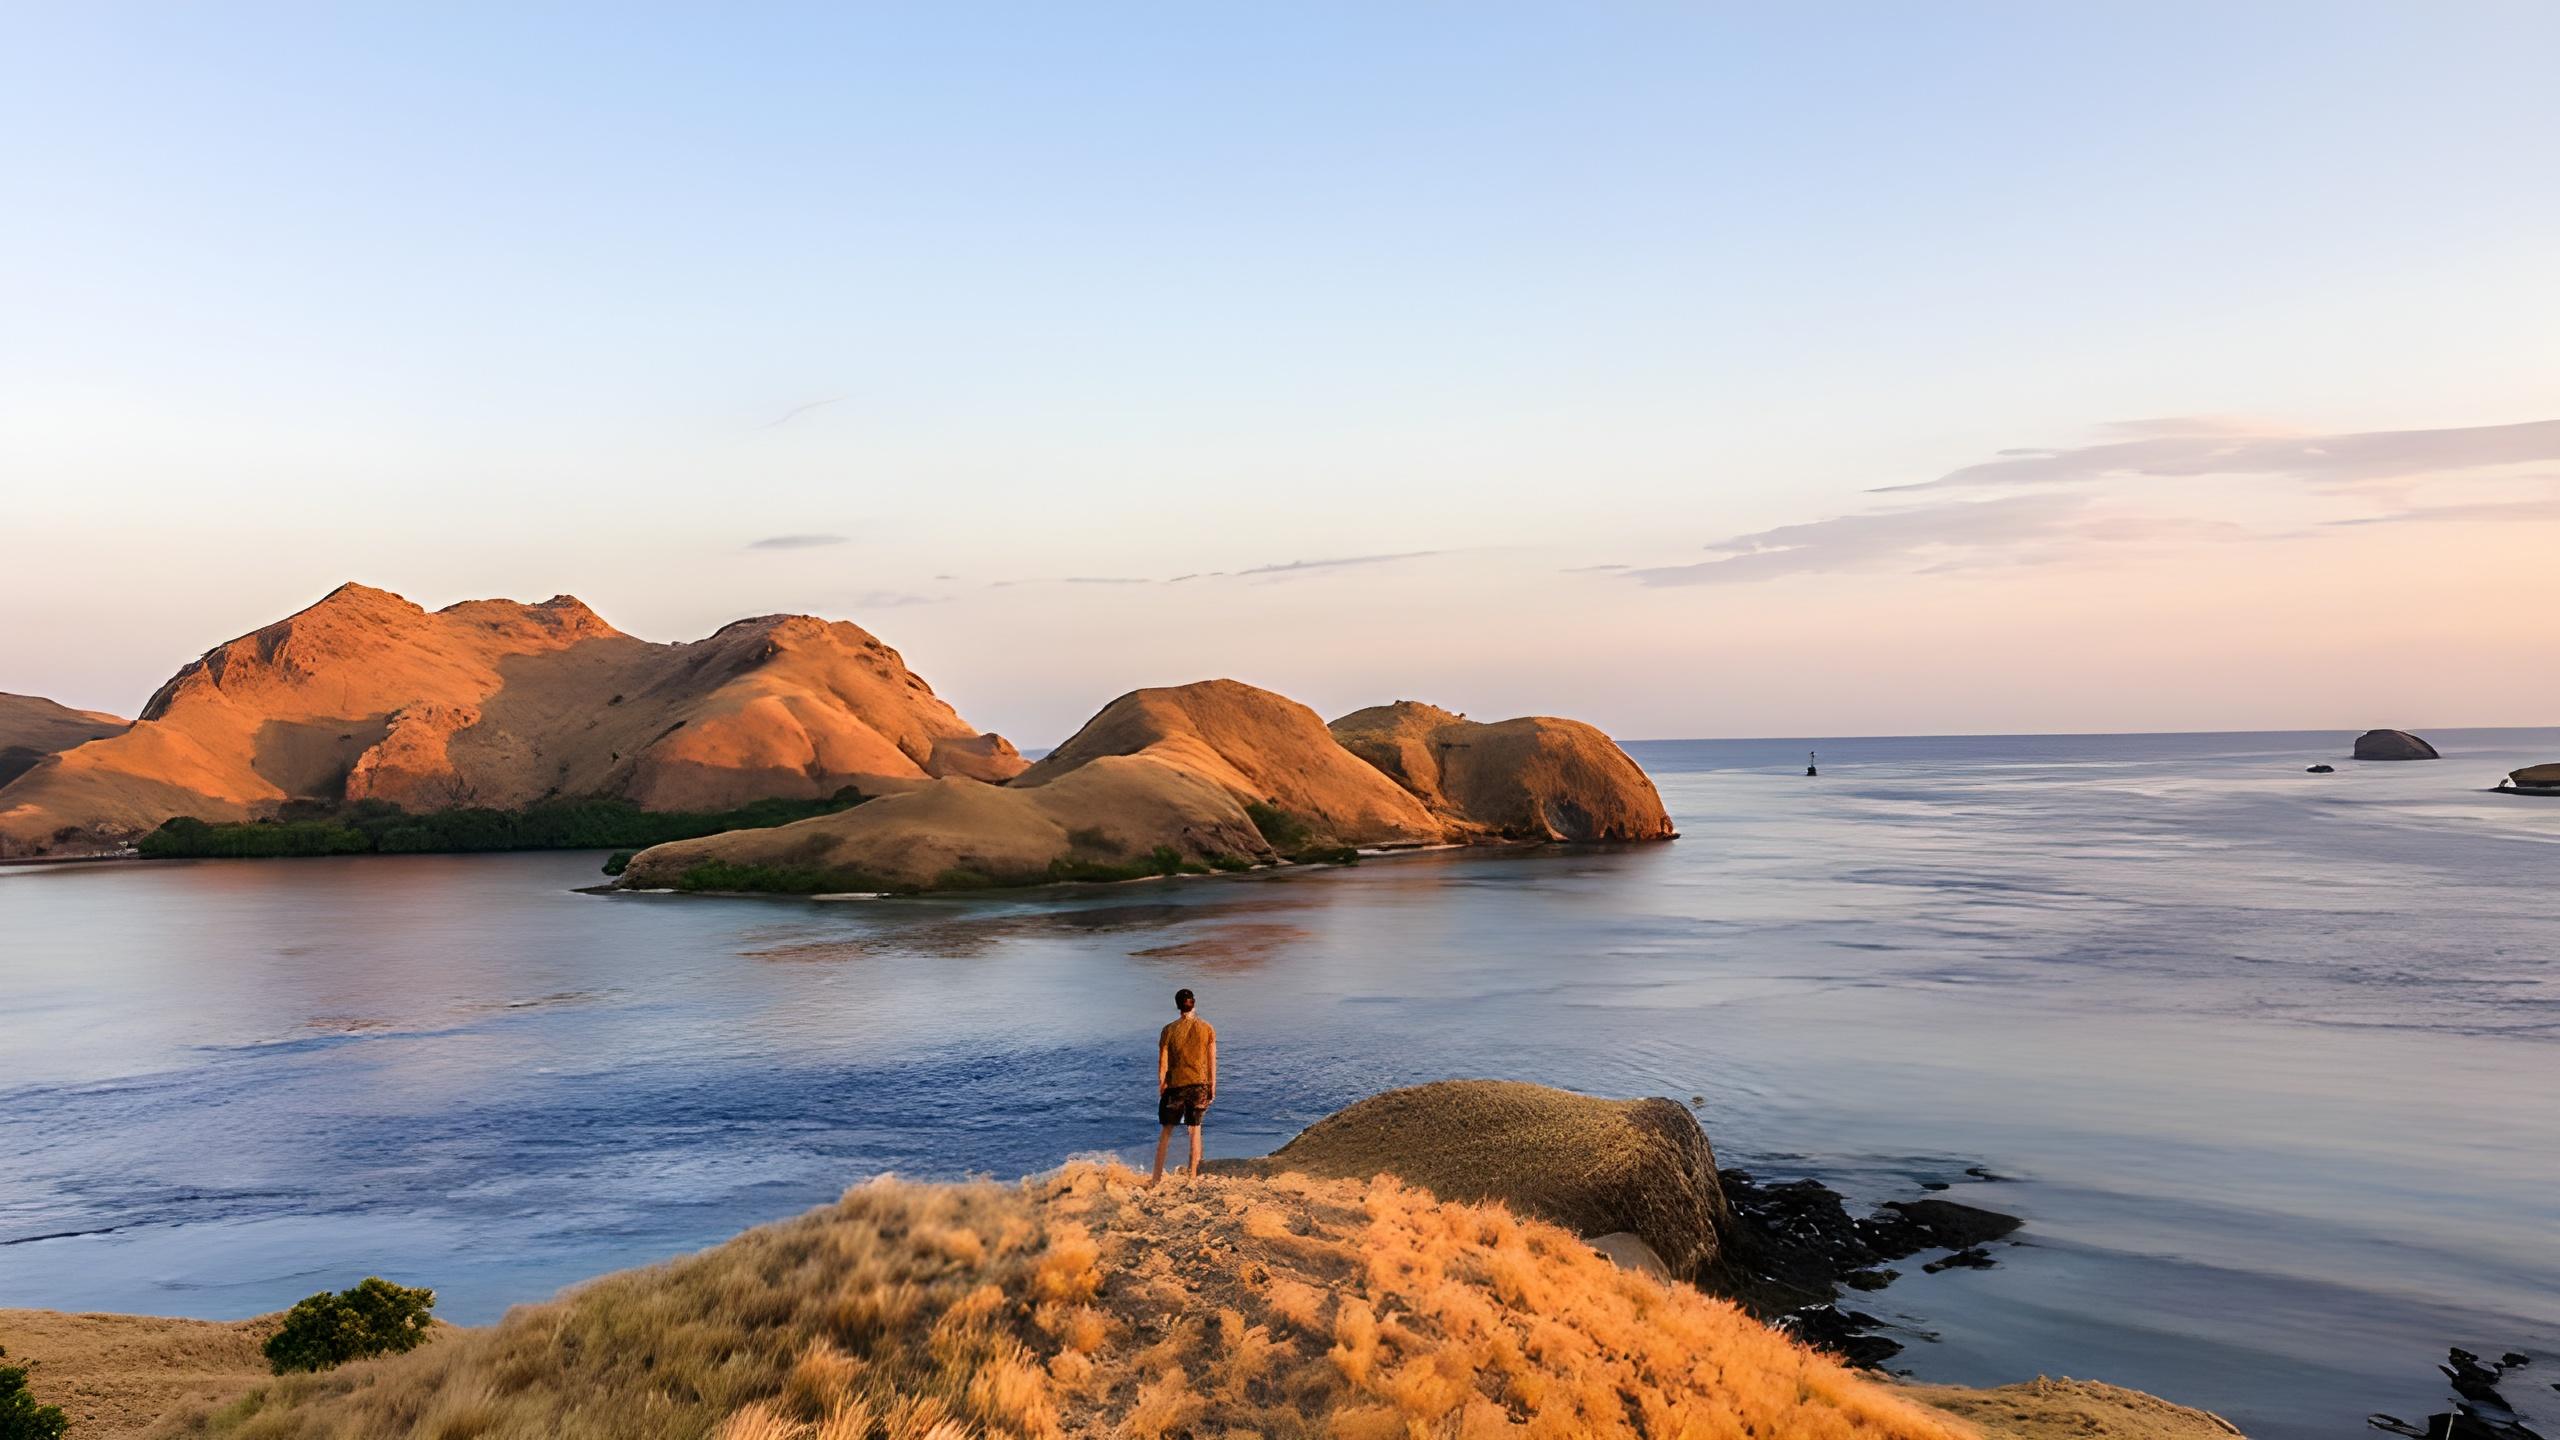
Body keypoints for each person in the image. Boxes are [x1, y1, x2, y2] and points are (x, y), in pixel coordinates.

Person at [1150, 987, 1217, 1186]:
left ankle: (1155, 1179)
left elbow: (1163, 1063)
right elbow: (1211, 1061)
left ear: (1177, 1006)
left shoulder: (1168, 1030)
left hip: (1175, 1086)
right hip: (1199, 1085)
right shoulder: (1207, 1028)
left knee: (1166, 1133)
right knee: (1195, 1131)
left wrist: (1162, 1084)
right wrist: (1212, 1085)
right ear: (1193, 1003)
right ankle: (1193, 1178)